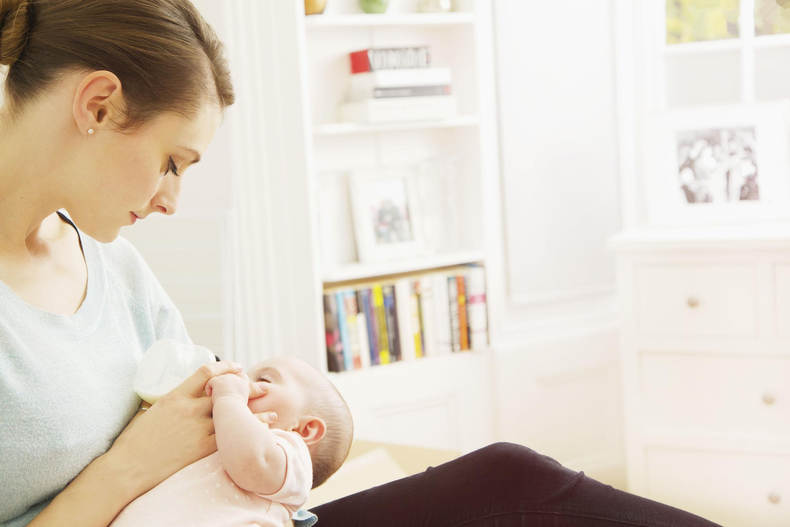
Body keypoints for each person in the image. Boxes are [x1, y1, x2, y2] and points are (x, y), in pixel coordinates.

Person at [0, 1, 721, 526]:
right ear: (97, 104)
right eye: (170, 163)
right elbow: (155, 447)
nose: (171, 201)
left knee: (511, 478)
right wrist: (131, 464)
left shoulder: (116, 269)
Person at [110, 356, 353, 527]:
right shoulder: (223, 439)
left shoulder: (290, 453)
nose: (243, 380)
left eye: (265, 380)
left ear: (304, 429)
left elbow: (252, 461)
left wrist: (230, 397)